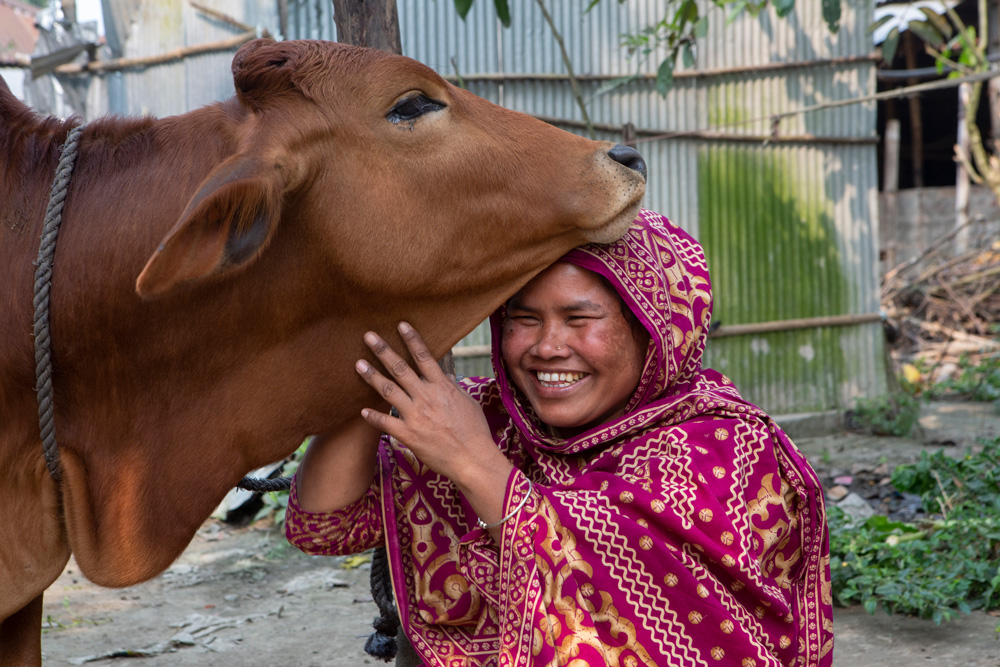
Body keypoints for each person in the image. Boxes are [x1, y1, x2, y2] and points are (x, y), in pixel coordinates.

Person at [285, 209, 834, 667]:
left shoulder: (723, 447)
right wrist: (384, 374)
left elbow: (643, 602)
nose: (546, 347)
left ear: (653, 327)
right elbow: (326, 526)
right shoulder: (488, 415)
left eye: (579, 318)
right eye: (522, 319)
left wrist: (471, 460)